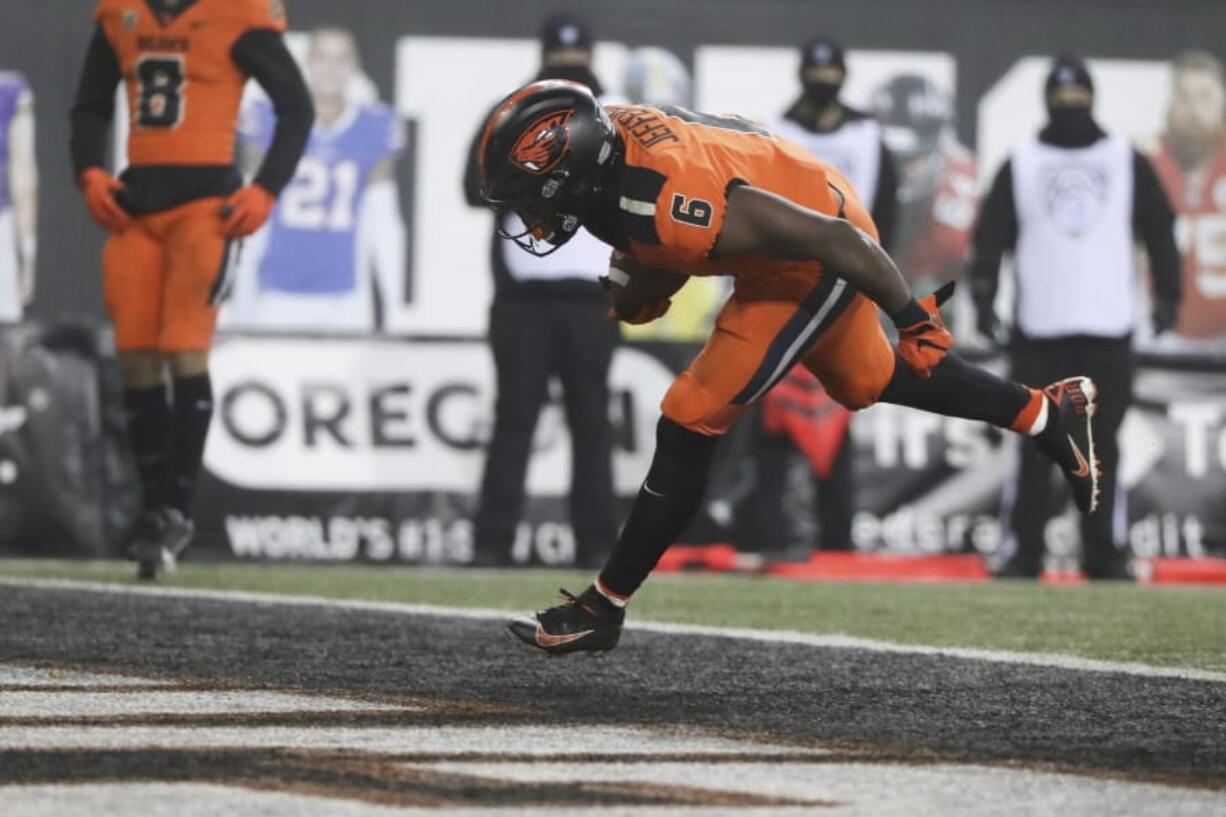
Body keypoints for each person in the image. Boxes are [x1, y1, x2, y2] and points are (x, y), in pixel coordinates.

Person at [476, 80, 1103, 655]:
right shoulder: (610, 142)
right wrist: (638, 272)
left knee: (691, 413)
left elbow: (834, 242)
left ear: (573, 172)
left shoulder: (671, 202)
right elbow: (656, 216)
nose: (530, 216)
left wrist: (914, 318)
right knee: (865, 380)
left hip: (819, 244)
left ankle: (603, 605)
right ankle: (1046, 414)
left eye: (532, 198)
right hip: (792, 207)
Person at [69, 0, 312, 578]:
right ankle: (156, 512)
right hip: (137, 206)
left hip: (206, 207)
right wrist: (89, 169)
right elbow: (90, 105)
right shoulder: (121, 14)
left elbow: (296, 106)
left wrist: (266, 188)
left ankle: (174, 509)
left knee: (184, 350)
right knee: (136, 359)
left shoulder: (236, 13)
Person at [969, 56, 1181, 580]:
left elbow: (1159, 231)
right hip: (1039, 329)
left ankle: (1103, 555)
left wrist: (1168, 297)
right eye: (1062, 98)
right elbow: (990, 241)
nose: (1069, 107)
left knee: (1102, 448)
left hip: (1106, 331)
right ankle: (1025, 554)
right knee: (1037, 450)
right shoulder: (1020, 162)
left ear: (1090, 98)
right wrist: (984, 296)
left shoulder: (1125, 159)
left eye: (1075, 97)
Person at [460, 15, 618, 568]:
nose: (570, 68)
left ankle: (598, 544)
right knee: (515, 418)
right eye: (561, 60)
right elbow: (472, 187)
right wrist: (535, 166)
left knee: (591, 422)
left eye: (577, 62)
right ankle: (491, 542)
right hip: (523, 295)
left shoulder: (616, 115)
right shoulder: (515, 112)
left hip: (595, 295)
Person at [229, 27, 407, 334]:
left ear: (354, 66)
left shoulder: (374, 126)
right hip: (276, 293)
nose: (331, 68)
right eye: (322, 57)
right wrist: (241, 304)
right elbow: (250, 216)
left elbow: (384, 222)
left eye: (341, 58)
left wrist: (394, 309)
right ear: (307, 63)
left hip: (344, 298)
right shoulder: (267, 118)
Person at [1149, 51, 1226, 344]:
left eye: (1205, 97)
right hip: (1160, 342)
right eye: (1183, 96)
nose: (1194, 110)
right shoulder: (1145, 162)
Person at [0, 71, 36, 323]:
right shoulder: (9, 91)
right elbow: (23, 177)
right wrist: (27, 256)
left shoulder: (10, 92)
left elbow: (23, 177)